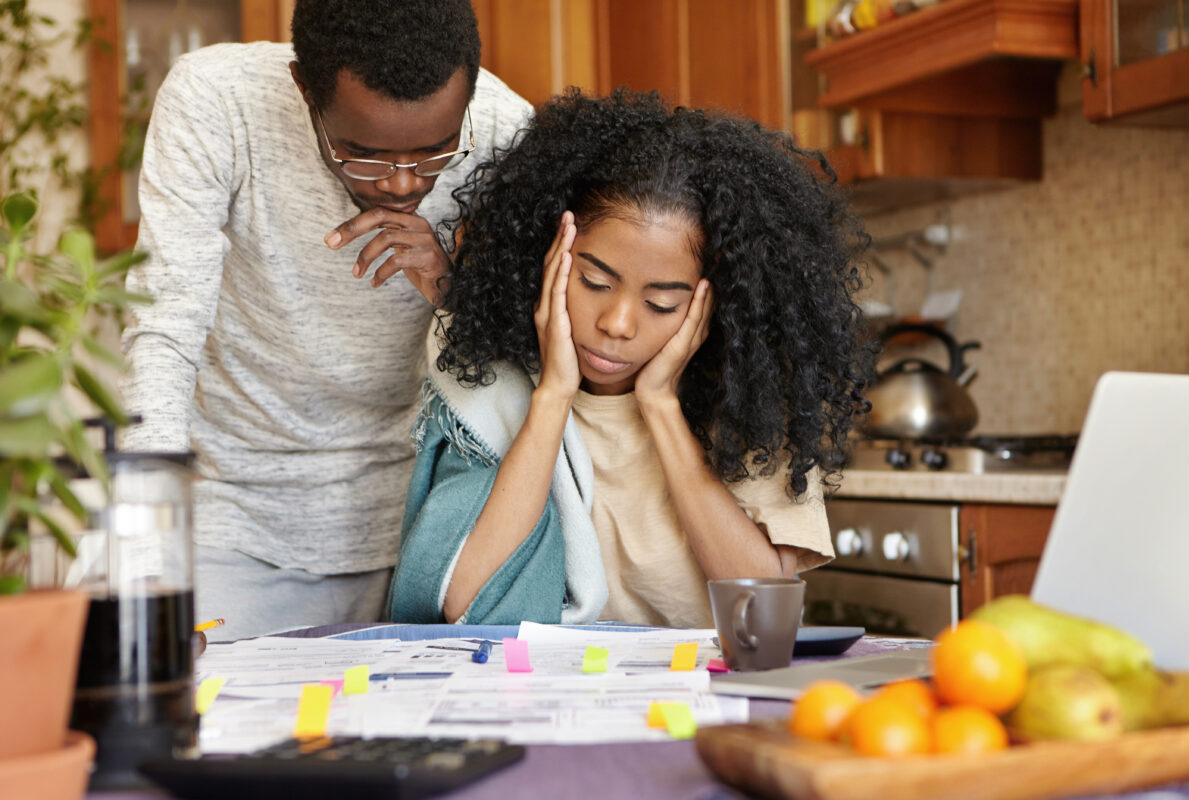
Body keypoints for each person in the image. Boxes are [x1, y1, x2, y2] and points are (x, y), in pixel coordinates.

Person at [118, 0, 532, 640]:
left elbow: (528, 360)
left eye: (434, 153)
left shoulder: (506, 132)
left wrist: (451, 286)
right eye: (362, 154)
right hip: (238, 519)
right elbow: (163, 325)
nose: (400, 184)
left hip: (426, 529)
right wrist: (145, 546)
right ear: (304, 89)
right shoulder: (218, 101)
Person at [389, 89, 874, 628]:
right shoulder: (499, 389)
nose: (617, 324)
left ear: (716, 302)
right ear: (550, 259)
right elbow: (465, 600)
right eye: (594, 282)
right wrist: (552, 396)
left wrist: (661, 407)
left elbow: (760, 616)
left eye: (662, 303)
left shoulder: (749, 410)